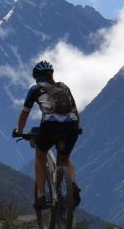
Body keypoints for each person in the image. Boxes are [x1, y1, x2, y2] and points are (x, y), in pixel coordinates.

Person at [14, 60, 82, 207]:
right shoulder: (64, 88)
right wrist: (77, 127)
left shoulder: (35, 89)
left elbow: (24, 114)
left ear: (36, 77)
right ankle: (73, 185)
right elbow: (75, 111)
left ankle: (41, 196)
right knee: (65, 159)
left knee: (40, 155)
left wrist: (19, 131)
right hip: (71, 125)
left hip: (50, 125)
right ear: (51, 74)